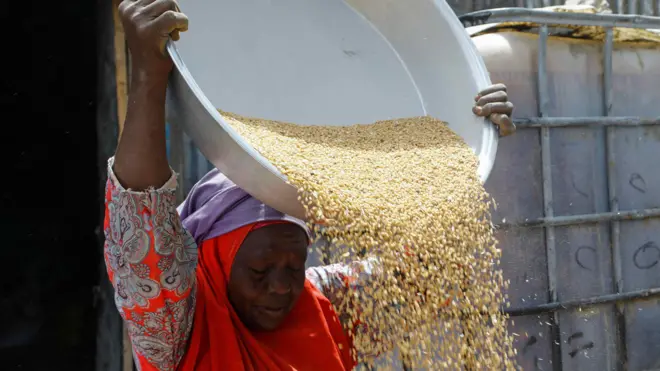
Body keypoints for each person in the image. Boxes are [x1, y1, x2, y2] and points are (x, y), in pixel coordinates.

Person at [105, 1, 517, 370]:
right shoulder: (180, 323)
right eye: (260, 270)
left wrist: (465, 138)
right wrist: (147, 76)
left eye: (294, 264)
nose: (282, 286)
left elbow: (435, 270)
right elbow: (141, 223)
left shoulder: (323, 301)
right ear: (214, 259)